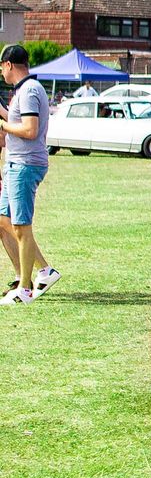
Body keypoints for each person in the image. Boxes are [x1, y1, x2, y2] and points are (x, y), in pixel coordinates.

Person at [0, 44, 57, 304]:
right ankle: (44, 270)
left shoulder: (30, 90)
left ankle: (24, 289)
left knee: (21, 226)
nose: (1, 72)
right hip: (15, 163)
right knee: (4, 221)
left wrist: (2, 124)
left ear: (9, 64)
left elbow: (30, 129)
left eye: (2, 67)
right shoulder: (24, 90)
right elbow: (19, 121)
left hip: (25, 164)